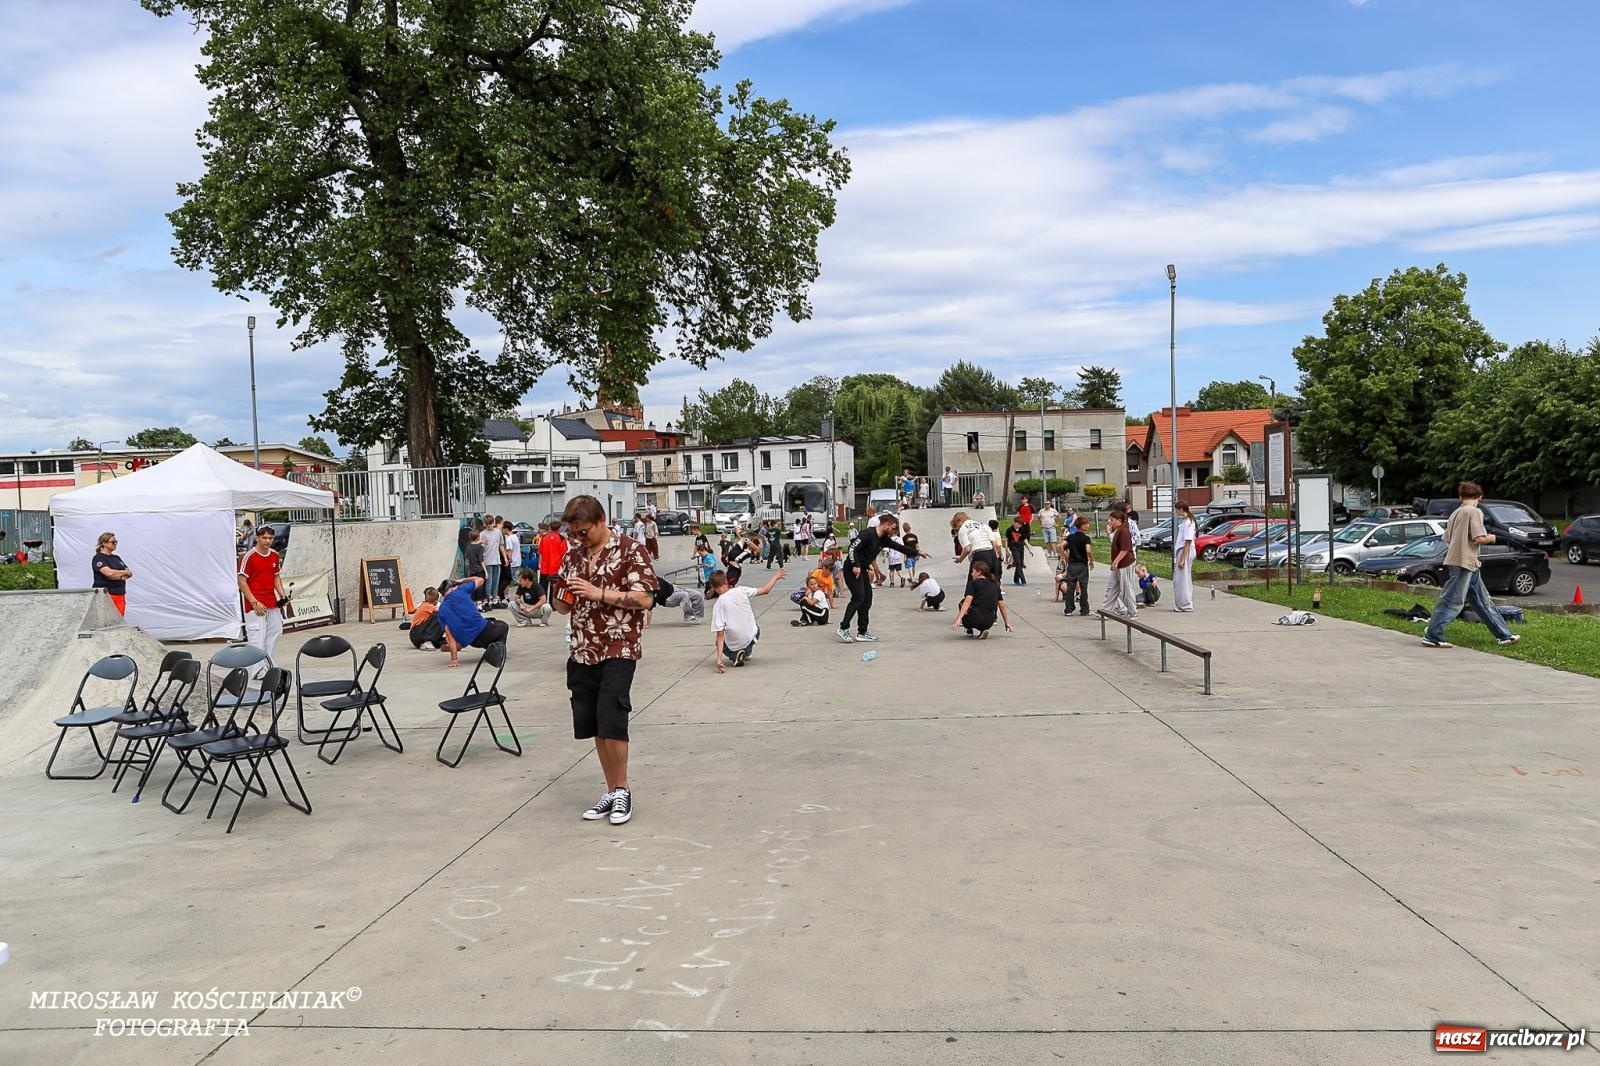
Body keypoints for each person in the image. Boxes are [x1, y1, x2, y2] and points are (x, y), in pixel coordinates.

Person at [553, 494, 658, 826]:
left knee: (612, 714)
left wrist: (600, 593)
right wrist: (563, 598)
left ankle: (623, 788)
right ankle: (611, 789)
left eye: (583, 532)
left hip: (619, 644)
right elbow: (562, 606)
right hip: (583, 648)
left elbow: (645, 598)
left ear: (600, 521)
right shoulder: (573, 557)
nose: (578, 538)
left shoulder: (630, 550)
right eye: (574, 533)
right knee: (594, 721)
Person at [1423, 481, 1522, 649]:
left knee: (1483, 601)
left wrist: (1473, 557)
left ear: (1461, 497)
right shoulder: (1474, 512)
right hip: (1463, 563)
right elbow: (1479, 538)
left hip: (1465, 562)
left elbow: (1447, 538)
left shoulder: (1455, 513)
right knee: (1452, 600)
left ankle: (1504, 635)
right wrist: (1493, 537)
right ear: (1480, 498)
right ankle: (1433, 635)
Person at [838, 513, 913, 644]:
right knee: (859, 597)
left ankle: (862, 632)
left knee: (867, 600)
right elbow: (852, 549)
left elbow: (899, 547)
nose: (893, 531)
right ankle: (843, 628)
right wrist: (855, 564)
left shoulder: (884, 539)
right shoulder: (866, 534)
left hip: (863, 570)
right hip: (852, 569)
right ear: (886, 524)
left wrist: (918, 553)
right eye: (892, 528)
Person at [709, 566, 784, 671]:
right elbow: (765, 590)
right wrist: (775, 577)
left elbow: (720, 633)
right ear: (726, 581)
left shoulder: (718, 604)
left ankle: (735, 656)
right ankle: (746, 651)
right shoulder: (741, 590)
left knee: (719, 641)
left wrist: (719, 660)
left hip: (735, 642)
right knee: (754, 628)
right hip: (752, 634)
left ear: (713, 586)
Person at [237, 526, 288, 674]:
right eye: (264, 538)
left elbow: (276, 576)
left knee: (276, 631)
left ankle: (268, 663)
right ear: (258, 538)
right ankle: (258, 670)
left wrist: (282, 594)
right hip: (255, 602)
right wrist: (253, 601)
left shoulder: (274, 555)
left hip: (271, 600)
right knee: (257, 635)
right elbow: (241, 581)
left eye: (270, 538)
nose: (267, 541)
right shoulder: (249, 556)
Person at [438, 576, 511, 666]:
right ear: (453, 588)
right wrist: (462, 580)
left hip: (473, 642)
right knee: (503, 626)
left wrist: (454, 659)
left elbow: (449, 636)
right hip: (483, 630)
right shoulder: (461, 590)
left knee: (490, 621)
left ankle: (490, 647)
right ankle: (499, 652)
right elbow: (480, 580)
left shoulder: (441, 609)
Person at [951, 559, 1012, 638]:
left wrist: (958, 619)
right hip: (990, 620)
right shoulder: (995, 585)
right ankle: (984, 629)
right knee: (983, 610)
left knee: (962, 602)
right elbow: (1001, 605)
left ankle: (968, 628)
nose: (972, 574)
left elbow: (967, 601)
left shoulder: (973, 584)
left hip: (975, 618)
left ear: (979, 572)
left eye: (973, 572)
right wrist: (1006, 623)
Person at [1099, 512, 1138, 617]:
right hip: (1119, 564)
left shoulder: (1123, 531)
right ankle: (1105, 610)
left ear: (1119, 520)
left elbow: (1125, 549)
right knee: (1112, 588)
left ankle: (1132, 611)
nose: (1110, 522)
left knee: (1126, 588)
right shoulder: (1117, 531)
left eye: (1112, 520)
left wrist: (1116, 562)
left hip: (1125, 563)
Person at [951, 510, 1002, 583]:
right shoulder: (983, 525)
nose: (957, 527)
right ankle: (996, 593)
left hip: (979, 555)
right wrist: (996, 557)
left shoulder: (963, 530)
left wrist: (960, 559)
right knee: (994, 581)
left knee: (972, 582)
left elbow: (967, 549)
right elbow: (995, 543)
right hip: (991, 553)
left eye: (956, 525)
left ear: (959, 520)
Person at [91, 531, 132, 615]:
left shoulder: (116, 558)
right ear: (104, 543)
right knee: (106, 621)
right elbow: (109, 574)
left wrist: (118, 575)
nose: (115, 544)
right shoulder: (98, 558)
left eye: (116, 542)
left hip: (120, 594)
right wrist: (122, 574)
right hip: (105, 595)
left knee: (119, 620)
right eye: (113, 542)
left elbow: (129, 573)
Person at [1062, 515, 1094, 616]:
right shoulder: (1086, 538)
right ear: (1082, 526)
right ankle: (1084, 609)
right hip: (1082, 565)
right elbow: (1088, 550)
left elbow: (1060, 546)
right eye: (1086, 524)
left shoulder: (1070, 537)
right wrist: (1092, 560)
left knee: (1070, 587)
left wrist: (1064, 557)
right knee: (1083, 587)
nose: (1088, 525)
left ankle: (1069, 609)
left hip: (1072, 565)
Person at [1172, 502, 1197, 613]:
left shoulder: (1188, 523)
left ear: (1181, 509)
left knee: (1183, 579)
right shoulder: (1187, 522)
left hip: (1185, 551)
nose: (1176, 512)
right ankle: (1182, 603)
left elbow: (1188, 541)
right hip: (1183, 551)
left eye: (1176, 510)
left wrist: (1182, 559)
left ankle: (1186, 604)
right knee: (1179, 579)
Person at [537, 522, 566, 604]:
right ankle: (553, 604)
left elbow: (540, 551)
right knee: (554, 587)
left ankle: (542, 602)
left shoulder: (544, 538)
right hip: (555, 566)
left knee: (543, 587)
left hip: (545, 566)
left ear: (550, 527)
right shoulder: (561, 538)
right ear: (559, 528)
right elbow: (564, 553)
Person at [480, 517, 505, 607]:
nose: (489, 526)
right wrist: (480, 542)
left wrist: (505, 557)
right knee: (489, 580)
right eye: (487, 525)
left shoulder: (498, 532)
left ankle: (495, 596)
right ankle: (488, 597)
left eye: (491, 524)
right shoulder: (482, 534)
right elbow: (477, 545)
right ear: (485, 525)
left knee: (496, 580)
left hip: (497, 559)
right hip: (487, 560)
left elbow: (501, 545)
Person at [499, 520, 521, 603]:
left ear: (506, 529)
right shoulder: (515, 537)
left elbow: (509, 550)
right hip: (518, 560)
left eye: (503, 529)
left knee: (508, 580)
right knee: (517, 579)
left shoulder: (509, 538)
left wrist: (509, 559)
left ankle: (506, 596)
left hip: (513, 561)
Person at [1005, 520, 1028, 585]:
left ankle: (1016, 579)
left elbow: (1024, 539)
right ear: (1015, 523)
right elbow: (1006, 540)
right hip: (1013, 547)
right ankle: (1023, 580)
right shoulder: (1009, 530)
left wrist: (1029, 549)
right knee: (1017, 562)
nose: (1019, 526)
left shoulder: (1022, 529)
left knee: (1020, 563)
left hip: (1020, 547)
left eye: (1020, 525)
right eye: (1018, 524)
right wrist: (1006, 550)